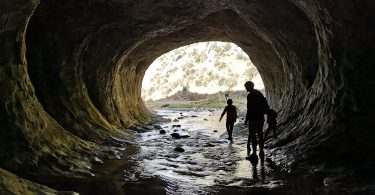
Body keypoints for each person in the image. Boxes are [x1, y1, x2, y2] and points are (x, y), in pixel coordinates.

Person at [244, 81, 269, 158]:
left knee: (253, 135)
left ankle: (254, 154)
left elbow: (249, 109)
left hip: (253, 118)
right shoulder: (259, 93)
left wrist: (246, 119)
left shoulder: (250, 95)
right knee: (260, 134)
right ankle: (261, 151)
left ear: (250, 86)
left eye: (246, 87)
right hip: (260, 117)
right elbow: (265, 103)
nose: (245, 88)